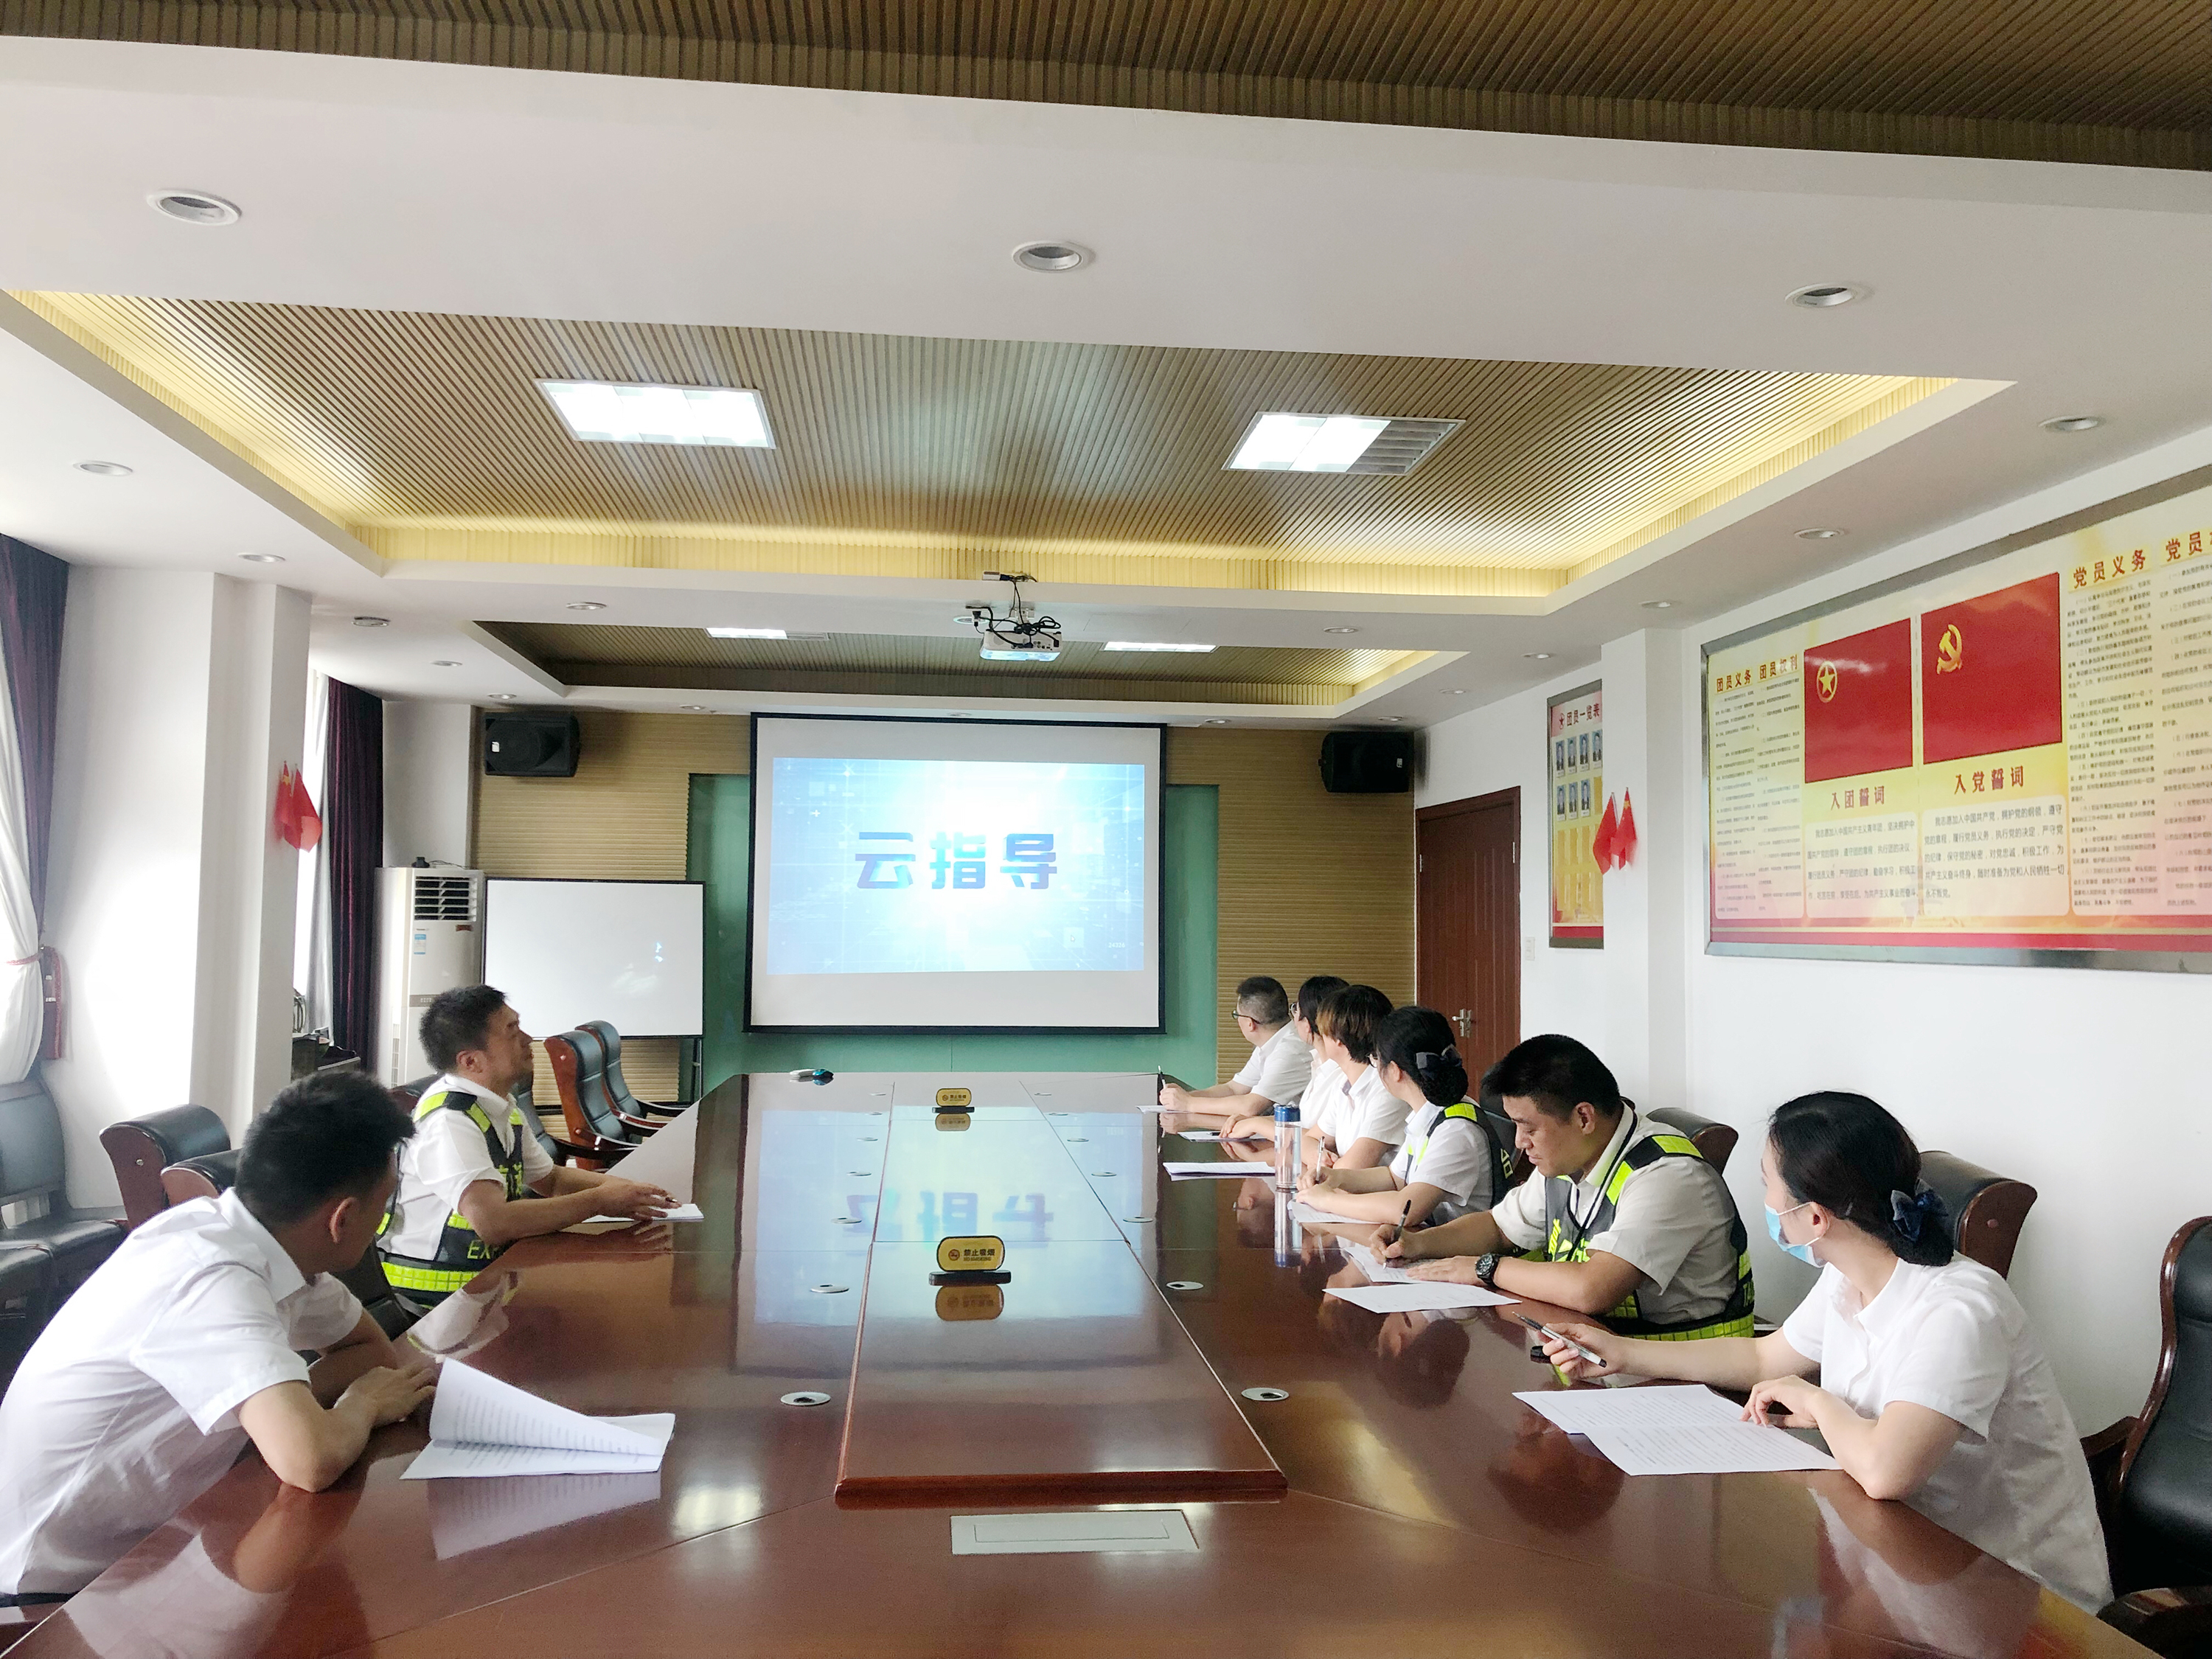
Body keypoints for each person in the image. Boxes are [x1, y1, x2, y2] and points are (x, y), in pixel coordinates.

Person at [1537, 1091, 2112, 1613]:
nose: (1765, 1199)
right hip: (1903, 1555)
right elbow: (1764, 1360)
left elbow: (1886, 1471)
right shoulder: (1849, 1273)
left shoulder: (1960, 1310)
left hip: (2017, 1594)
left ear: (1815, 1217)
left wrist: (1817, 1403)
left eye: (1768, 1184)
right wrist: (1623, 1353)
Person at [0, 1071, 439, 1604]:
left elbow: (368, 1353)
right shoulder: (211, 1274)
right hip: (51, 1591)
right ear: (342, 1219)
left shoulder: (268, 1245)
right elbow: (310, 1460)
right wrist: (358, 1406)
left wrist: (294, 1410)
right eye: (386, 1204)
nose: (385, 1220)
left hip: (153, 1544)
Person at [1378, 1033, 1754, 1340]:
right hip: (1604, 1352)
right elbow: (1498, 1227)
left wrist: (1486, 1267)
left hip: (1683, 1379)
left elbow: (1593, 1289)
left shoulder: (1667, 1176)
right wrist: (1416, 1243)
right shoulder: (1566, 1160)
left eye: (1529, 1127)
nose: (1520, 1142)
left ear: (1583, 1118)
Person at [378, 985, 672, 1302]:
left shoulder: (498, 1105)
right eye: (512, 1031)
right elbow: (493, 1222)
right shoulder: (450, 1121)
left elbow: (553, 1180)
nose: (528, 1039)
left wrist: (629, 1191)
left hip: (490, 1281)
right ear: (471, 1061)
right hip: (437, 1297)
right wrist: (600, 1201)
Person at [1298, 1006, 1514, 1228]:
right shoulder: (1429, 1113)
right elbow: (1394, 1178)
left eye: (1376, 1060)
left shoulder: (1455, 1130)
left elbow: (1405, 1210)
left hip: (1462, 1247)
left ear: (1395, 1071)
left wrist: (1328, 1200)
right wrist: (1337, 1178)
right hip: (1431, 1239)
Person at [1156, 975, 1311, 1123]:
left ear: (1250, 1023)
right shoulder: (1273, 1041)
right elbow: (1234, 1088)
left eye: (1237, 1015)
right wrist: (1184, 1097)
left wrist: (1189, 1103)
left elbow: (1250, 1106)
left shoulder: (1290, 1051)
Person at [1303, 984, 1403, 1175]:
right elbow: (1309, 1140)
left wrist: (1324, 1169)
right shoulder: (1343, 1083)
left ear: (1338, 1040)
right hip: (1345, 1189)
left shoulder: (1387, 1089)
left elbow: (1350, 1170)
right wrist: (1318, 1158)